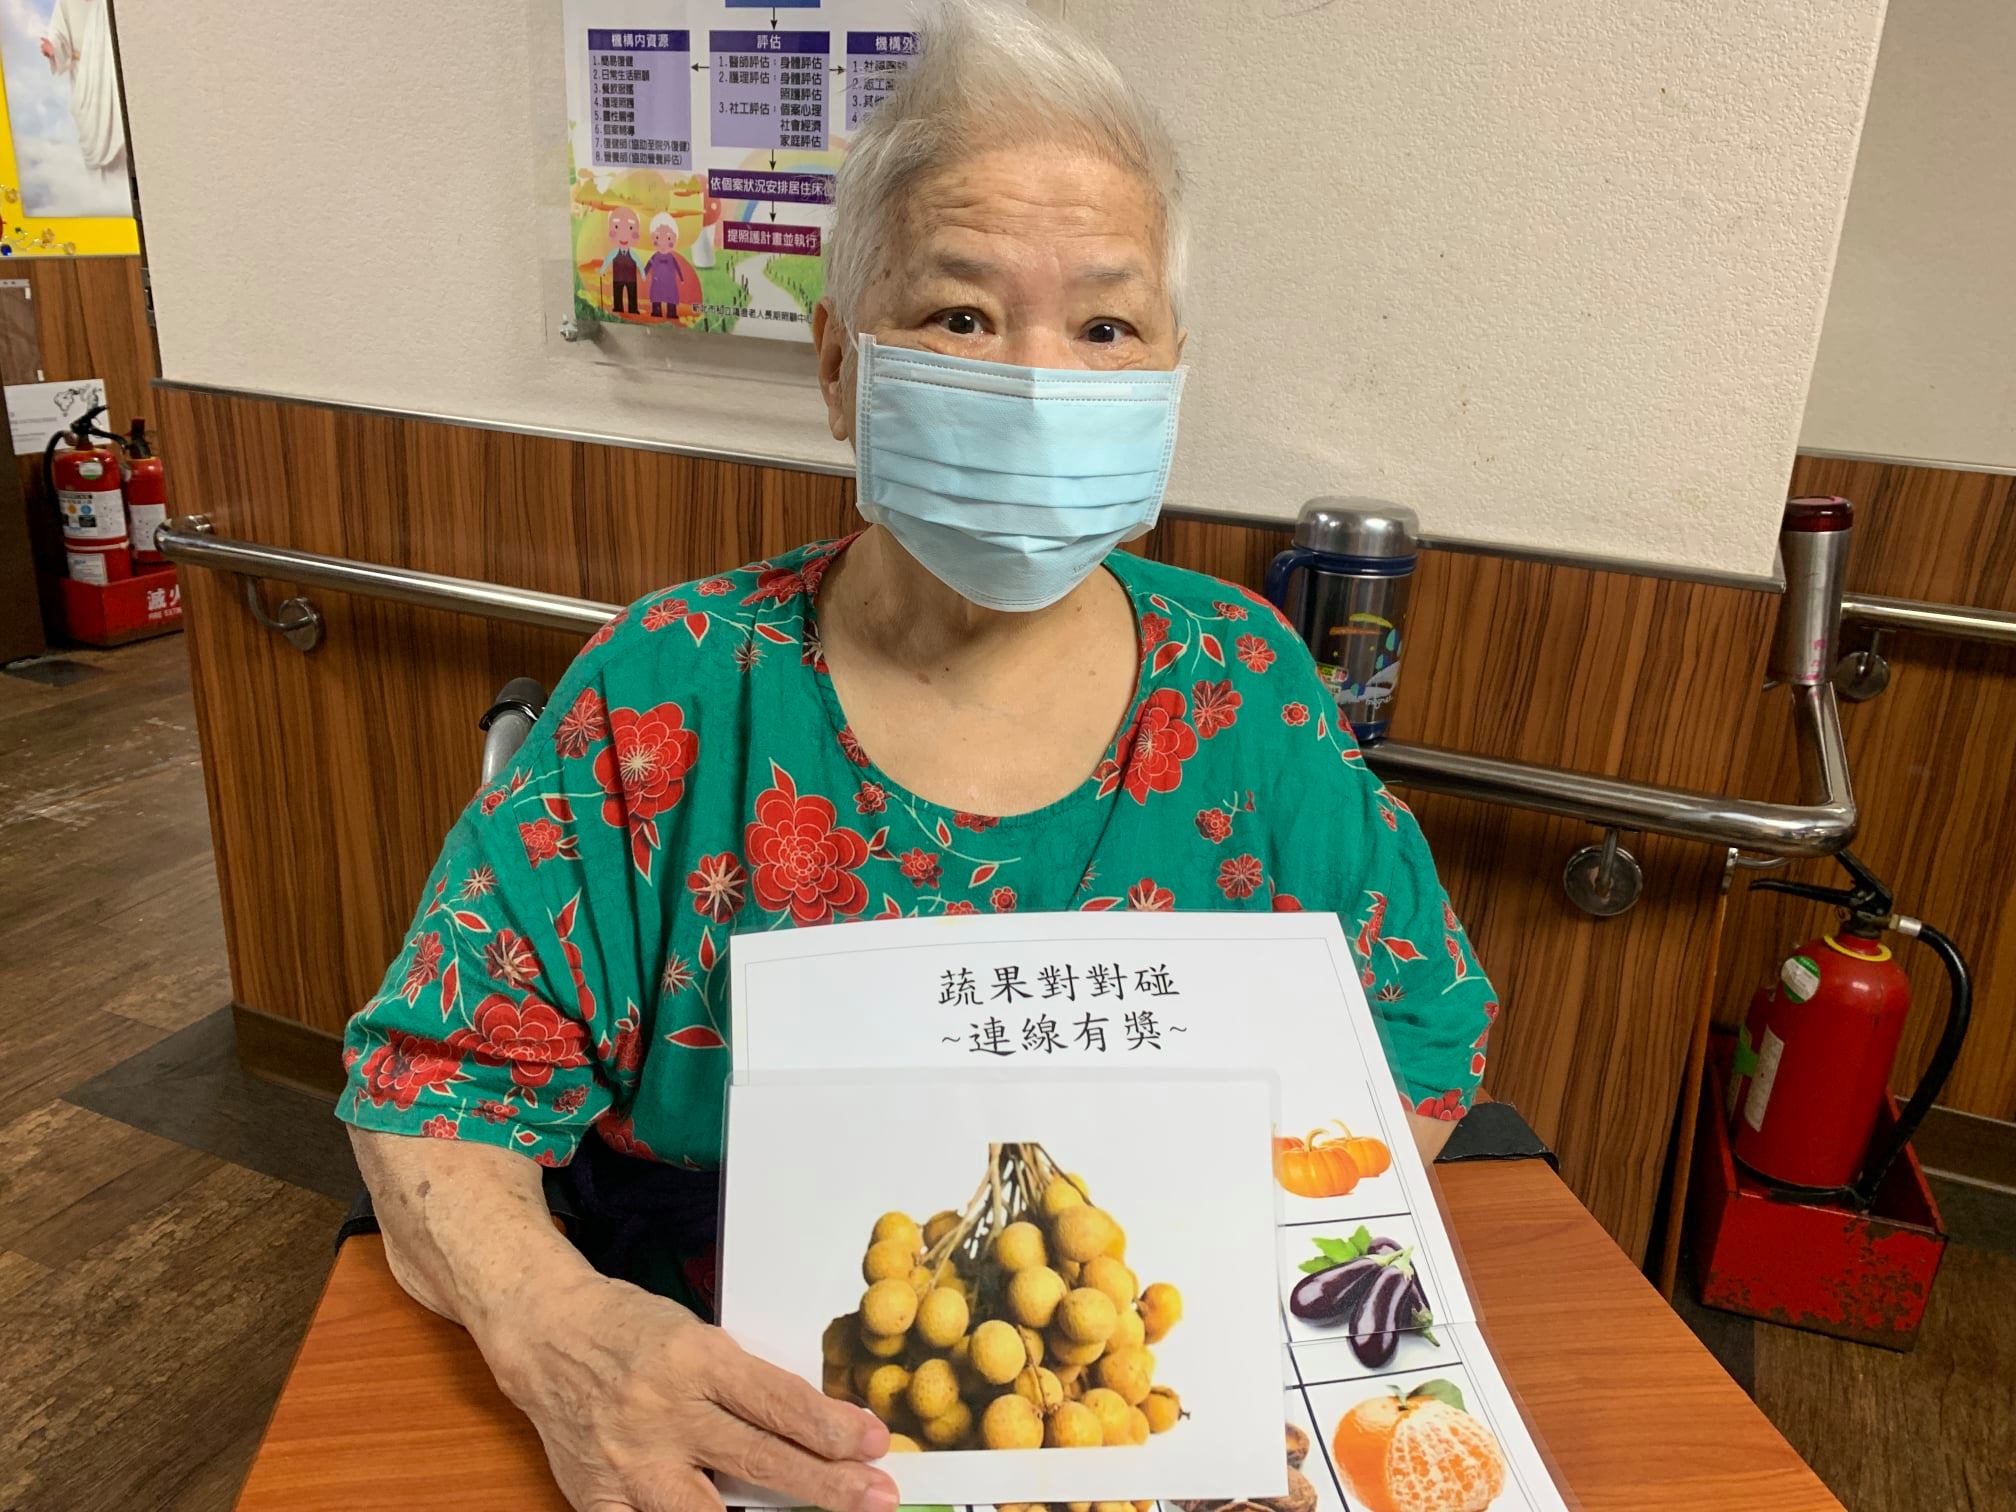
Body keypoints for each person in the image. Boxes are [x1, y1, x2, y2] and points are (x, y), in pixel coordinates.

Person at [340, 3, 1495, 1508]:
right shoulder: (672, 693)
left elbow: (1413, 1032)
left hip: (1129, 1407)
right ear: (842, 367)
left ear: (1170, 376)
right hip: (738, 1433)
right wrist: (560, 1333)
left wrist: (1244, 1297)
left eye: (1106, 327)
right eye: (960, 316)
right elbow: (430, 1091)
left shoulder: (1249, 687)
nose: (1039, 383)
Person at [41, 0, 128, 206]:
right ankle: (102, 202)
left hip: (111, 75)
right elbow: (58, 35)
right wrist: (53, 49)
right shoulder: (65, 3)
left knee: (119, 134)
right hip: (83, 78)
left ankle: (125, 198)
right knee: (92, 141)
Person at [644, 211, 695, 318]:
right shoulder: (655, 256)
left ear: (674, 238)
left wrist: (681, 278)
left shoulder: (671, 257)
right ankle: (656, 311)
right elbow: (648, 265)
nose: (663, 243)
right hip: (657, 281)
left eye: (668, 238)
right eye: (657, 238)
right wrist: (644, 273)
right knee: (656, 296)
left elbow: (677, 267)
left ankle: (671, 313)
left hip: (670, 282)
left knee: (671, 297)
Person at [602, 206, 642, 315]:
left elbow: (638, 262)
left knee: (632, 293)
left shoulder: (633, 253)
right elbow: (608, 259)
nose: (624, 235)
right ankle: (618, 307)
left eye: (630, 228)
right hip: (618, 277)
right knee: (617, 293)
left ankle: (633, 309)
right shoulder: (615, 252)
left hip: (631, 279)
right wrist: (602, 270)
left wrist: (643, 273)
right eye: (616, 227)